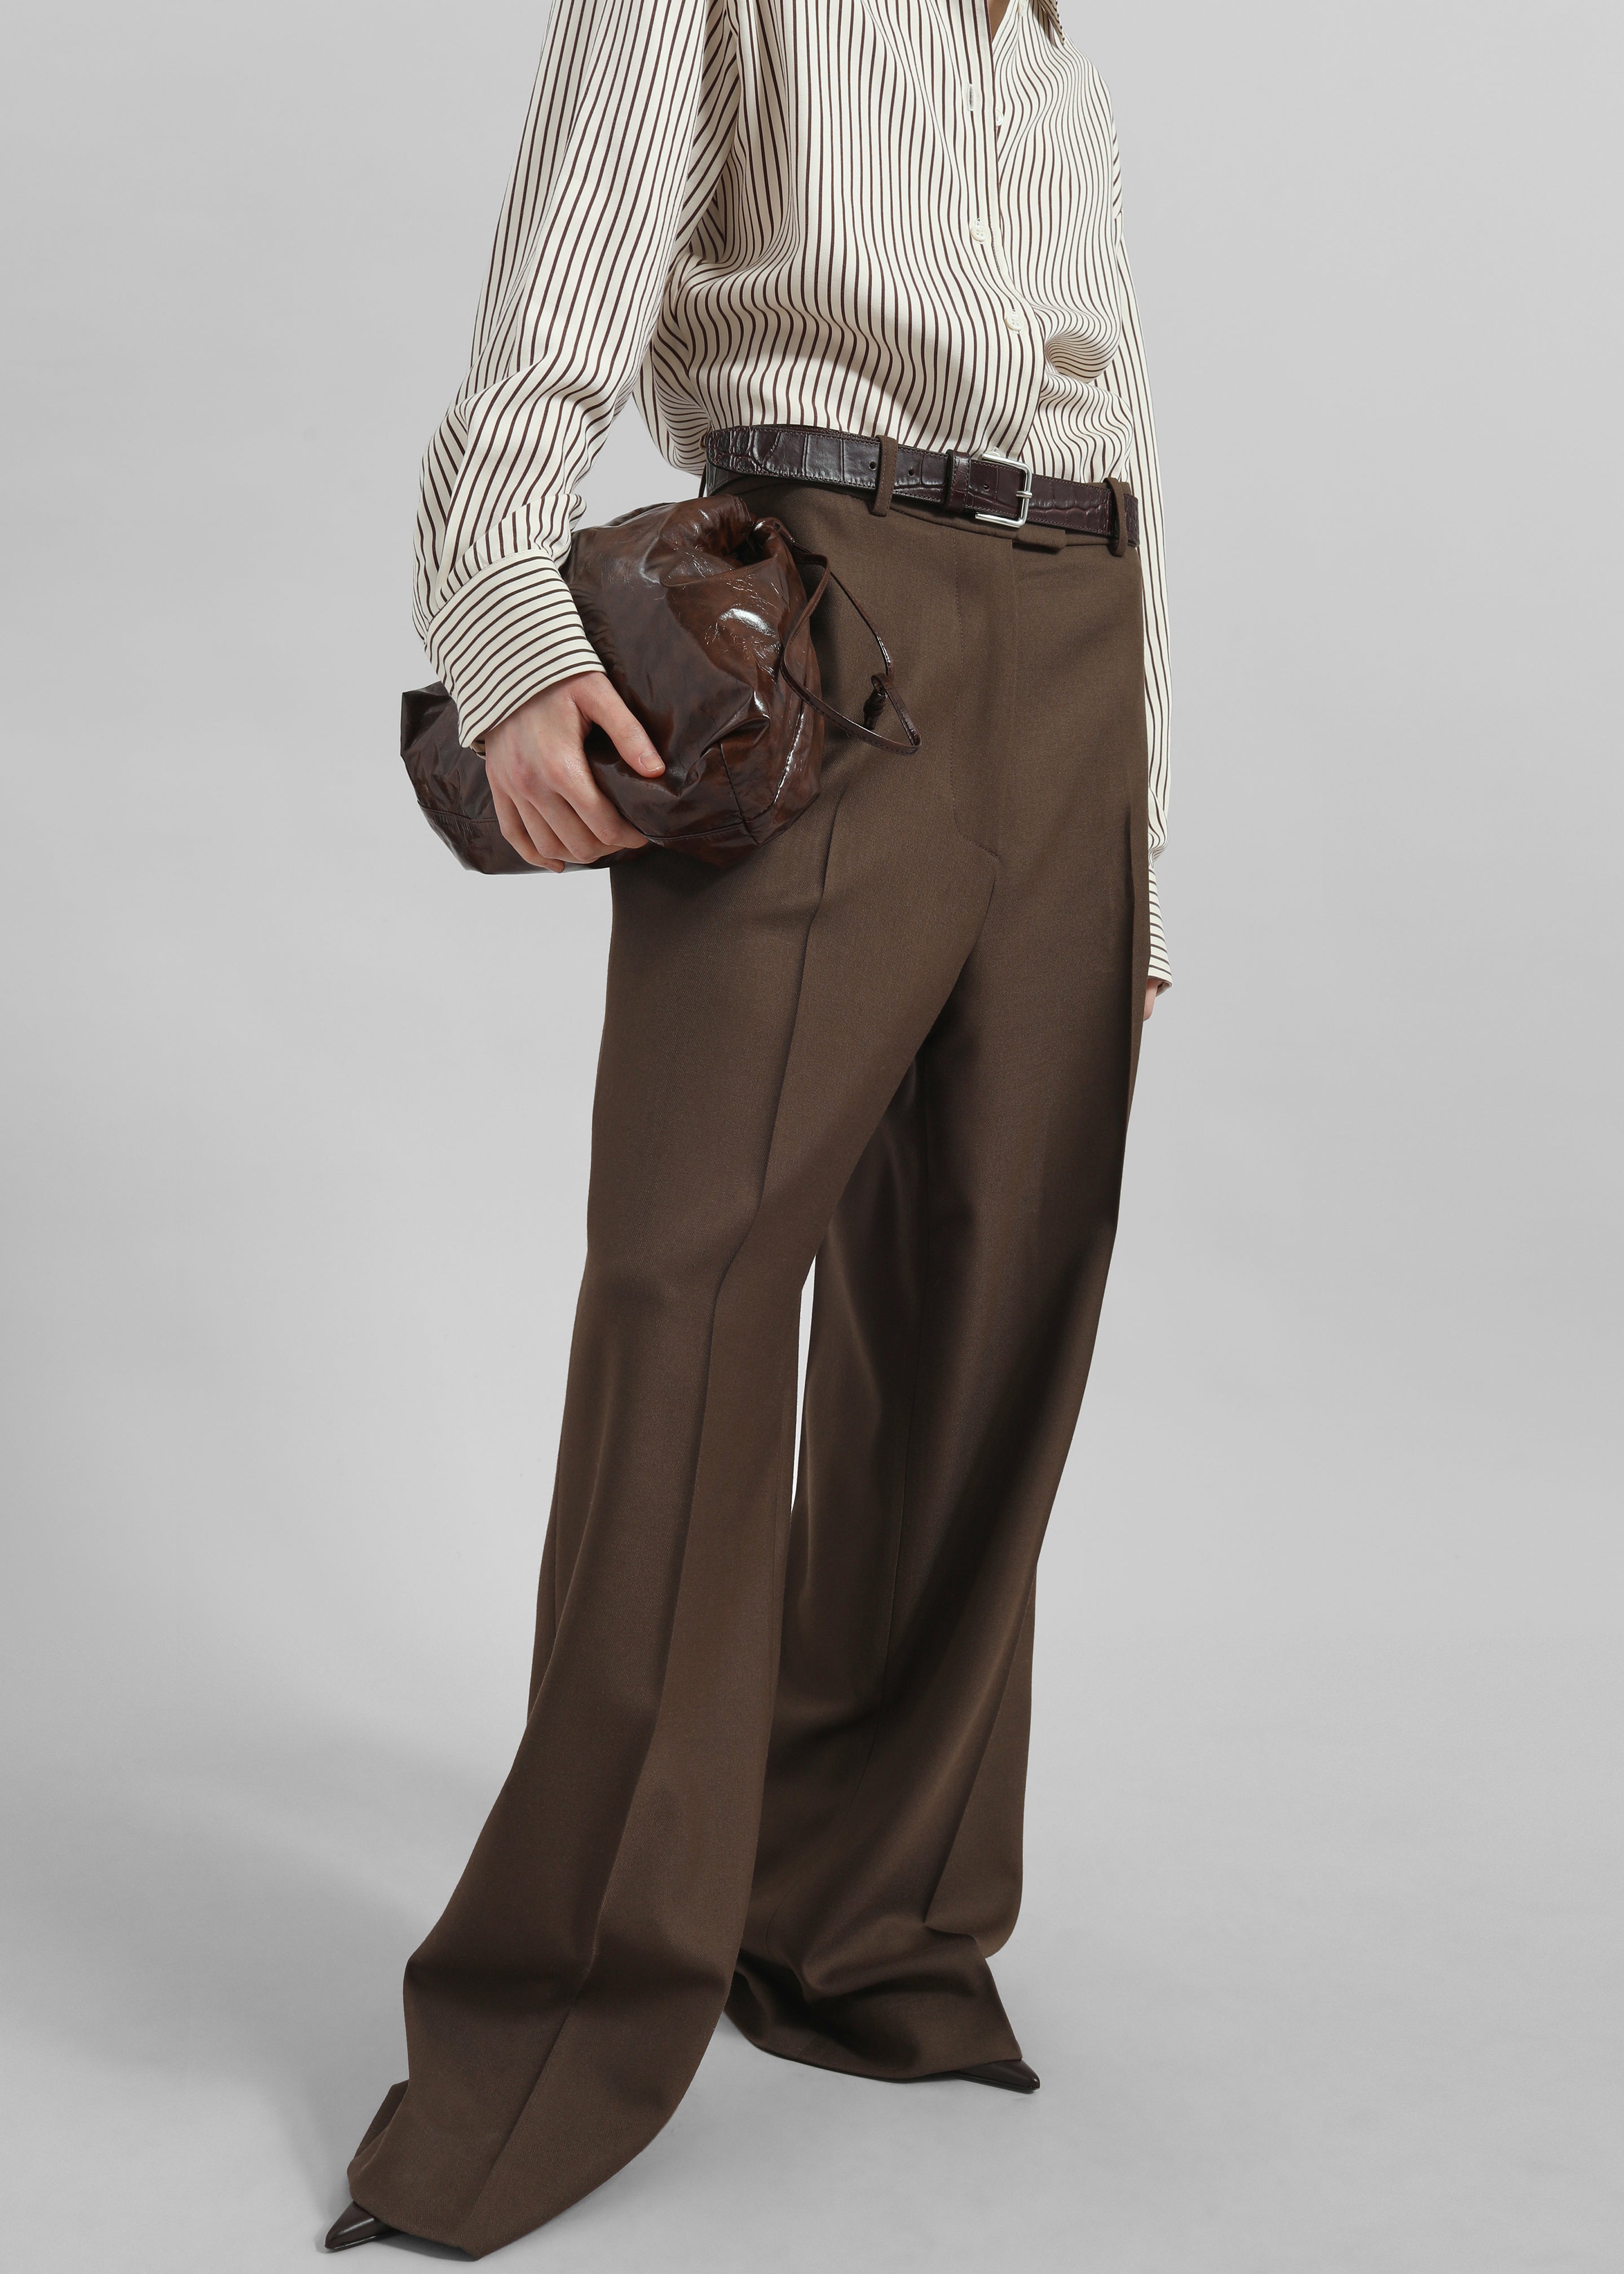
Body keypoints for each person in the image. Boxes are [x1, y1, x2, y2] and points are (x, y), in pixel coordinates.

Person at [325, 0, 1170, 2252]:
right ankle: (559, 2008)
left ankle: (862, 1926)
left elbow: (1123, 429)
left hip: (1083, 644)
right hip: (830, 609)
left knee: (994, 1300)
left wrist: (1147, 839)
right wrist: (511, 638)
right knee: (690, 1294)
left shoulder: (1047, 54)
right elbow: (546, 326)